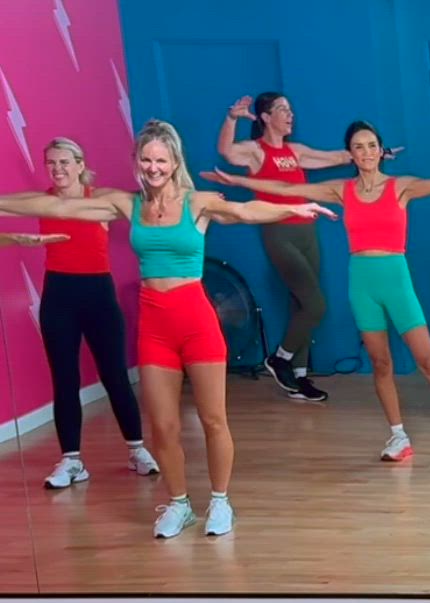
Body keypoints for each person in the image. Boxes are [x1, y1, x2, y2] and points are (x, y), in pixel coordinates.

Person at [1, 120, 334, 539]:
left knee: (213, 420)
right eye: (146, 159)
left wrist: (293, 208)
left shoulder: (199, 203)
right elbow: (54, 207)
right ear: (138, 162)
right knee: (162, 426)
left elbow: (246, 211)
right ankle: (179, 504)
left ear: (175, 162)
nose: (154, 167)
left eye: (161, 160)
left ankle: (220, 501)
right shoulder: (127, 204)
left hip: (197, 323)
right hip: (155, 327)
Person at [206, 122, 430, 465]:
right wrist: (239, 181)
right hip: (362, 282)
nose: (367, 152)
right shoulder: (342, 190)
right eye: (359, 147)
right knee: (380, 363)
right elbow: (285, 188)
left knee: (429, 362)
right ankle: (398, 436)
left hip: (396, 280)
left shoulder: (400, 187)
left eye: (372, 145)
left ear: (380, 150)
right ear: (352, 154)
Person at [217, 92, 400, 403]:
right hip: (278, 232)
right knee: (316, 305)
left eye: (291, 109)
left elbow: (334, 157)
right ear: (265, 117)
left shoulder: (295, 151)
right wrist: (232, 118)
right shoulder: (256, 152)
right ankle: (280, 358)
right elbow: (227, 152)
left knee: (300, 303)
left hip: (307, 231)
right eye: (282, 110)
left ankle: (298, 377)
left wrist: (376, 153)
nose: (290, 115)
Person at [8, 137, 157, 489]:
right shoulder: (43, 202)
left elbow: (148, 204)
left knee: (115, 375)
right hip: (59, 296)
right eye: (51, 163)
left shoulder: (101, 200)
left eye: (64, 162)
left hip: (98, 295)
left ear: (80, 164)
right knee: (64, 379)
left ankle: (137, 450)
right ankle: (72, 460)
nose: (57, 169)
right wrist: (16, 239)